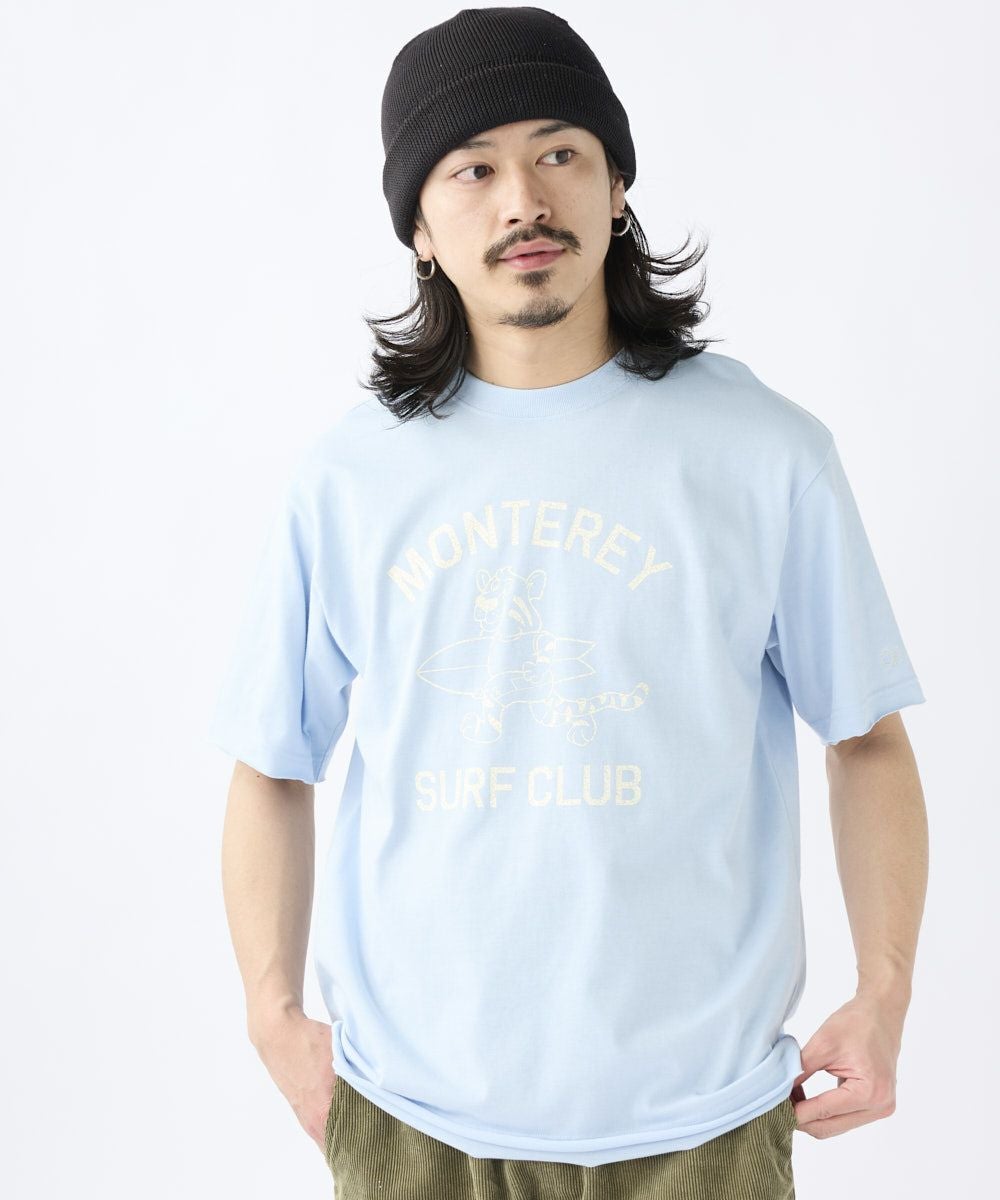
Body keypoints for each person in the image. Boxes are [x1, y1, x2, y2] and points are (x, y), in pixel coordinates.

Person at [207, 7, 928, 1198]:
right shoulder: (348, 480)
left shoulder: (765, 453)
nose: (523, 201)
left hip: (702, 1123)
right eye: (472, 169)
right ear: (419, 227)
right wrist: (274, 1021)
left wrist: (887, 991)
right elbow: (271, 767)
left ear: (616, 185)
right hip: (412, 1119)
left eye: (559, 153)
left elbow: (866, 738)